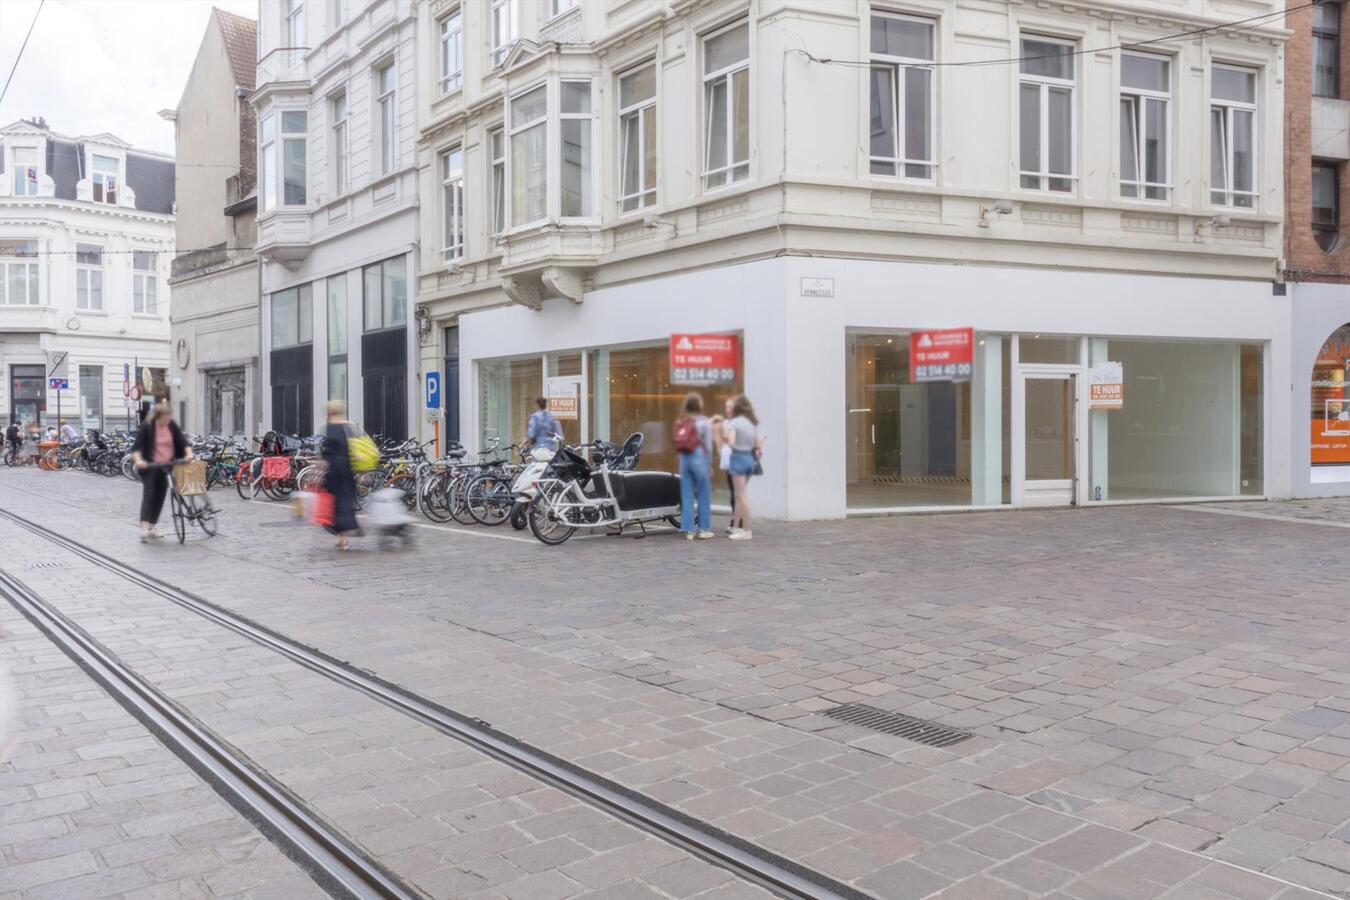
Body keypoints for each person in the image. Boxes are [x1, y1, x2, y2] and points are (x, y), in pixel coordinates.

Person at [131, 403, 191, 542]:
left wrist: (188, 454)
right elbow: (137, 448)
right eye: (165, 417)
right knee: (149, 494)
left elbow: (183, 442)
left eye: (169, 416)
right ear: (158, 417)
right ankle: (145, 527)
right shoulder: (147, 427)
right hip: (150, 466)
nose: (167, 419)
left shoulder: (171, 425)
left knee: (160, 496)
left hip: (167, 465)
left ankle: (153, 526)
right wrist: (139, 460)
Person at [722, 395, 763, 541]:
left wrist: (726, 437)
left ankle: (746, 530)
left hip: (738, 458)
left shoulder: (735, 423)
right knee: (740, 496)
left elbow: (731, 443)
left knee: (741, 496)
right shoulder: (752, 424)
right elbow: (757, 445)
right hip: (749, 459)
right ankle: (737, 528)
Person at [320, 401, 361, 550]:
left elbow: (325, 450)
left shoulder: (327, 427)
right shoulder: (348, 426)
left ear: (330, 412)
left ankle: (341, 536)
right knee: (345, 499)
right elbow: (355, 448)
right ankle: (343, 535)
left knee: (335, 501)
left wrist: (319, 467)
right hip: (346, 466)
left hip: (332, 468)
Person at [674, 393, 714, 540]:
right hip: (699, 458)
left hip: (684, 459)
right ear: (699, 405)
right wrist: (709, 464)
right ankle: (703, 529)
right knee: (703, 493)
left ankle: (689, 530)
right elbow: (708, 446)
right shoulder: (703, 422)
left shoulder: (681, 420)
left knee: (687, 495)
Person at [710, 399, 749, 534]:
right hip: (729, 461)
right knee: (734, 492)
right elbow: (716, 435)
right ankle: (736, 521)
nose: (727, 410)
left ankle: (739, 523)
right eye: (726, 407)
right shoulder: (726, 423)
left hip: (738, 460)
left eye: (730, 407)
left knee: (737, 493)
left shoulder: (739, 423)